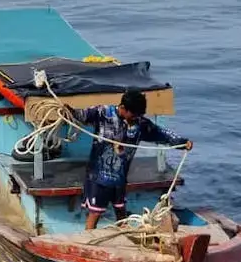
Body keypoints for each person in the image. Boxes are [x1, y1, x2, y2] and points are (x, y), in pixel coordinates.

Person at [65, 88, 193, 230]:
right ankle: (88, 243)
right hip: (98, 179)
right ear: (123, 108)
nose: (136, 118)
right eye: (134, 115)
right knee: (95, 213)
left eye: (139, 115)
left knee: (121, 213)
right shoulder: (102, 113)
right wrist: (68, 111)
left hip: (120, 179)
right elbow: (80, 115)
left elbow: (161, 133)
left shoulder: (140, 124)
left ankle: (124, 239)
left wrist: (182, 142)